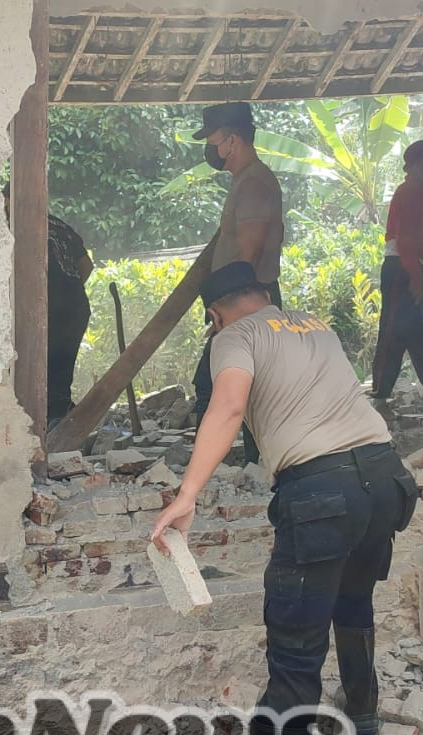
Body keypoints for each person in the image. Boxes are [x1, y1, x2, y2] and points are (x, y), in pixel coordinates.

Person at [150, 262, 417, 735]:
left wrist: (188, 495)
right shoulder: (315, 324)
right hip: (386, 478)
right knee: (354, 597)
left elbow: (228, 407)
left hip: (321, 492)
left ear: (215, 314)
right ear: (266, 294)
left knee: (295, 659)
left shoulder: (233, 337)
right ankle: (363, 714)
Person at [189, 101, 284, 465]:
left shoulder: (254, 184)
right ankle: (253, 463)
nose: (209, 148)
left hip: (245, 301)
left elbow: (249, 252)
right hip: (243, 300)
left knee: (211, 382)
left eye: (212, 140)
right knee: (248, 382)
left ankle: (214, 466)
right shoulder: (245, 180)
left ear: (233, 140)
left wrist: (232, 313)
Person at [3, 183, 95, 426]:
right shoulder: (59, 225)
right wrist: (68, 289)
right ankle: (60, 416)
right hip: (76, 306)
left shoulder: (14, 226)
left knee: (34, 365)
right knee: (62, 365)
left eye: (5, 201)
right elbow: (87, 266)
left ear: (10, 200)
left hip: (44, 307)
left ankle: (42, 421)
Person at [372, 139, 423, 401]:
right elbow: (405, 239)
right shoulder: (411, 193)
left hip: (408, 268)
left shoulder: (419, 193)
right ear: (419, 164)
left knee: (406, 330)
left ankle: (388, 390)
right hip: (405, 270)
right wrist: (415, 277)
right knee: (415, 331)